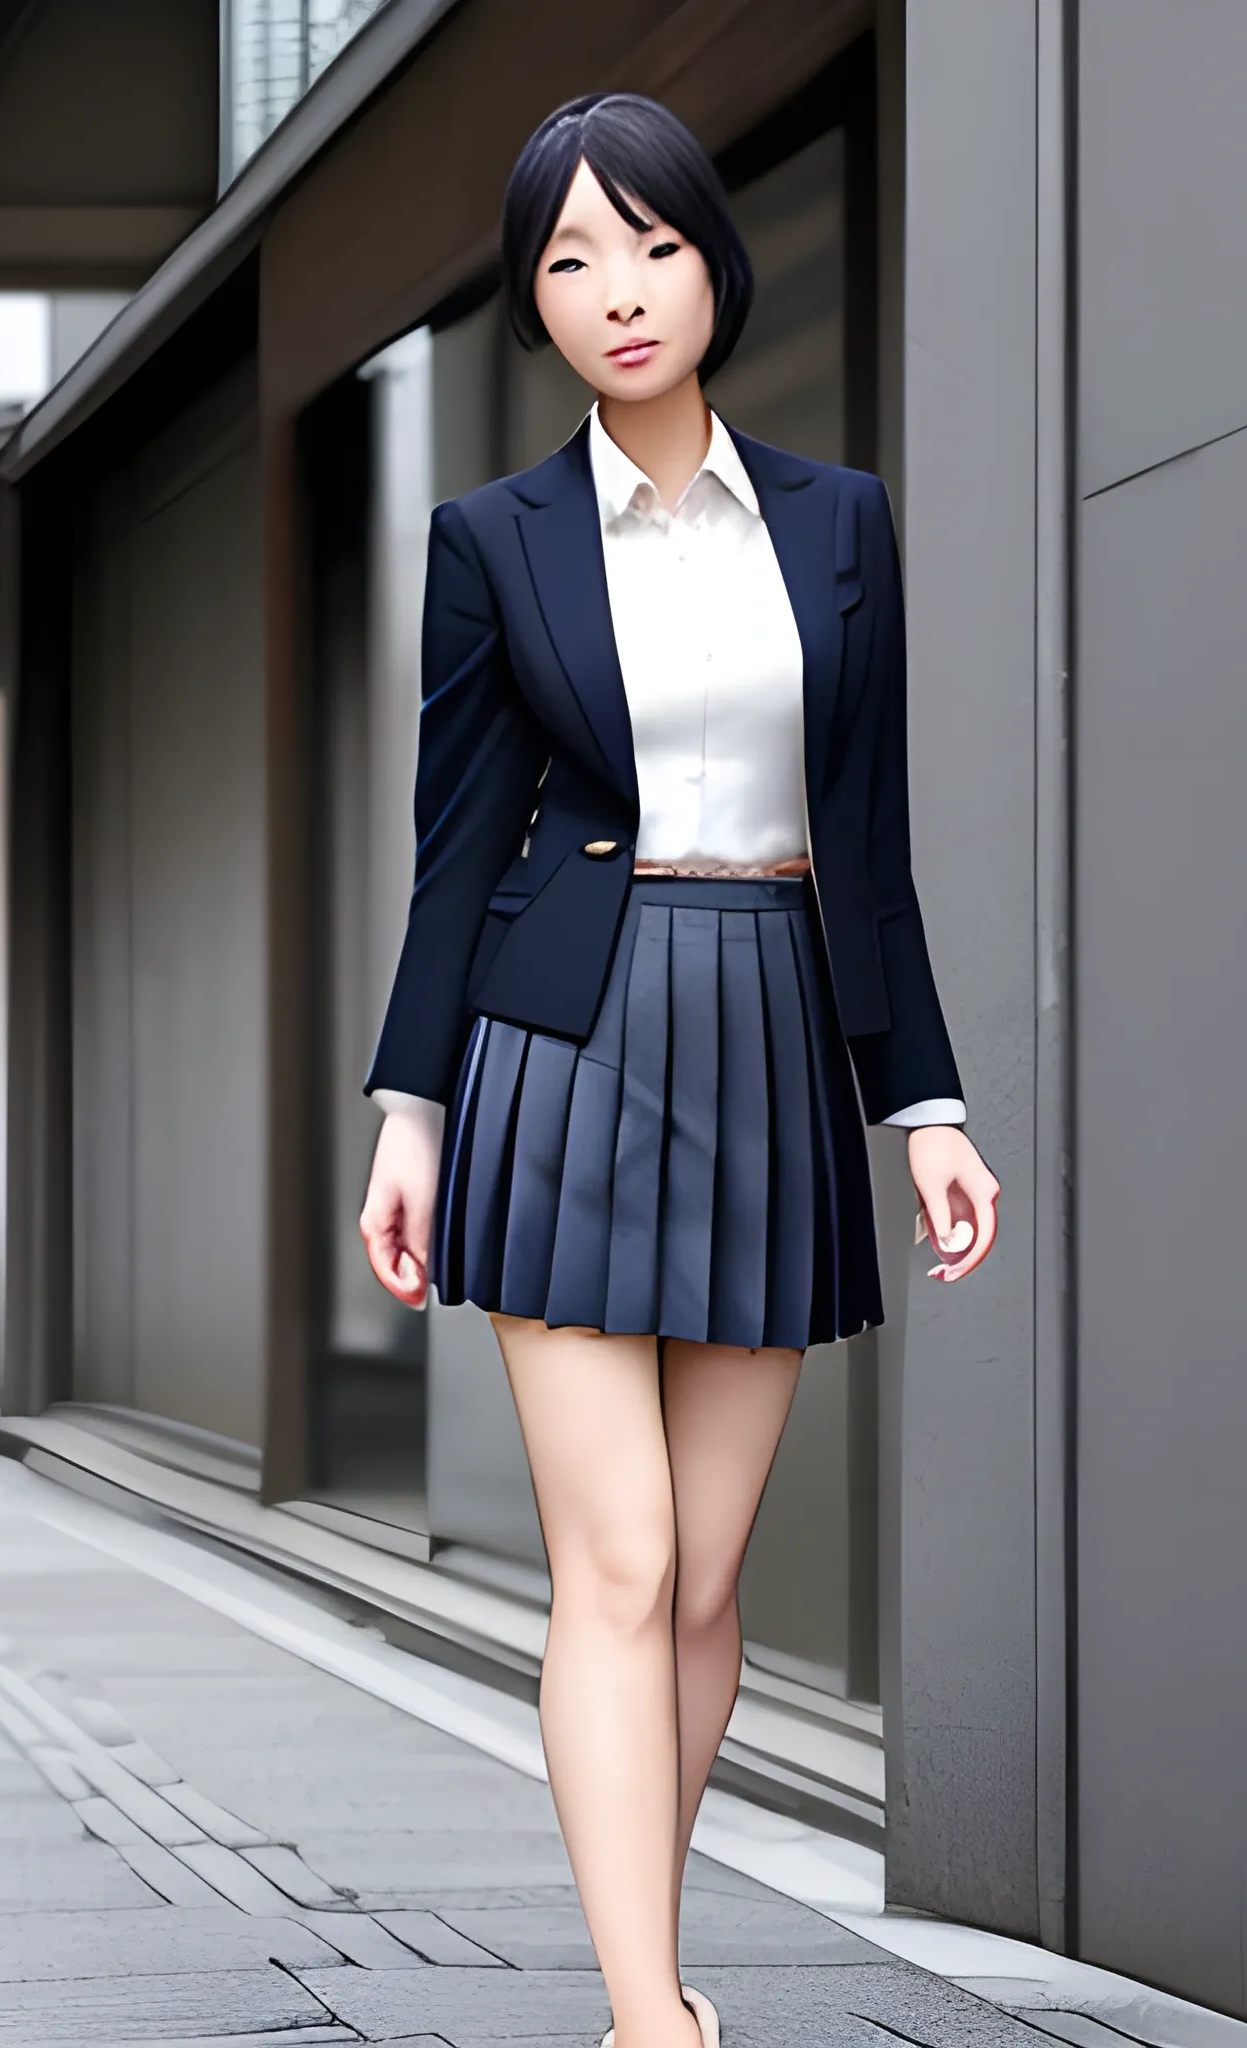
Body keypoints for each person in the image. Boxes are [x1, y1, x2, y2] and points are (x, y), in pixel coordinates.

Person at [358, 91, 999, 2048]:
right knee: (615, 1556)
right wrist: (408, 1110)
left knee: (703, 1580)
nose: (614, 293)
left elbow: (867, 838)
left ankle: (649, 1936)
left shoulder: (839, 523)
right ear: (531, 306)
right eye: (565, 260)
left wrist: (926, 1103)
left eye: (645, 245)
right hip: (556, 1038)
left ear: (713, 256)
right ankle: (651, 2014)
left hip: (774, 1033)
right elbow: (454, 843)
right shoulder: (494, 543)